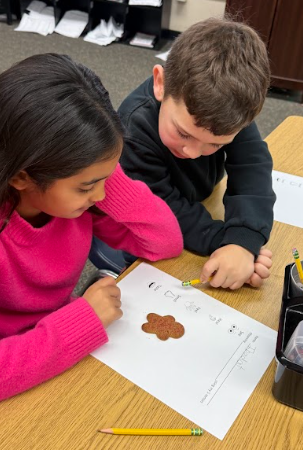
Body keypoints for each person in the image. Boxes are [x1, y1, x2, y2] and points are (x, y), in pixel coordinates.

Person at [0, 53, 183, 401]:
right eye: (86, 186)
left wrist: (105, 178)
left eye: (105, 180)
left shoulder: (77, 207)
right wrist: (81, 323)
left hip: (57, 342)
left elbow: (164, 241)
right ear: (22, 175)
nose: (100, 195)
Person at [118, 16, 276, 290]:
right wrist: (224, 241)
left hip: (201, 203)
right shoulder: (134, 128)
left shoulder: (230, 112)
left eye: (214, 145)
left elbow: (252, 165)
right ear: (160, 83)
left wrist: (243, 239)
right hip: (143, 225)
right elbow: (158, 206)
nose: (193, 153)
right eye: (183, 133)